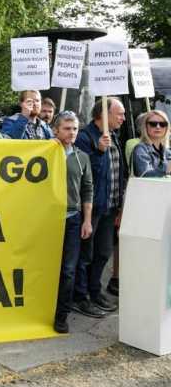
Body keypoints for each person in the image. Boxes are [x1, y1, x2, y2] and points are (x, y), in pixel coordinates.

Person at [73, 97, 126, 318]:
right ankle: (81, 297)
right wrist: (99, 152)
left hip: (109, 205)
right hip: (92, 207)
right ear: (103, 116)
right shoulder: (85, 137)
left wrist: (120, 204)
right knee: (86, 255)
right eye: (119, 114)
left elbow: (119, 172)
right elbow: (84, 174)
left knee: (103, 252)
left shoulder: (114, 136)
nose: (123, 118)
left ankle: (95, 291)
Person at [52, 111, 93, 333]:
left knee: (68, 269)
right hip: (47, 220)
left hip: (73, 219)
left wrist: (87, 220)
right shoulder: (44, 152)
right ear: (56, 130)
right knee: (46, 266)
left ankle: (62, 315)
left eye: (75, 128)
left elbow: (88, 190)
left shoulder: (82, 157)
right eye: (67, 128)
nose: (72, 132)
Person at [131, 110, 171, 177]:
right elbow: (145, 175)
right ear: (145, 126)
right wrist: (167, 169)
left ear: (167, 128)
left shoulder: (168, 151)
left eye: (162, 124)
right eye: (153, 124)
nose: (158, 127)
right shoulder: (141, 149)